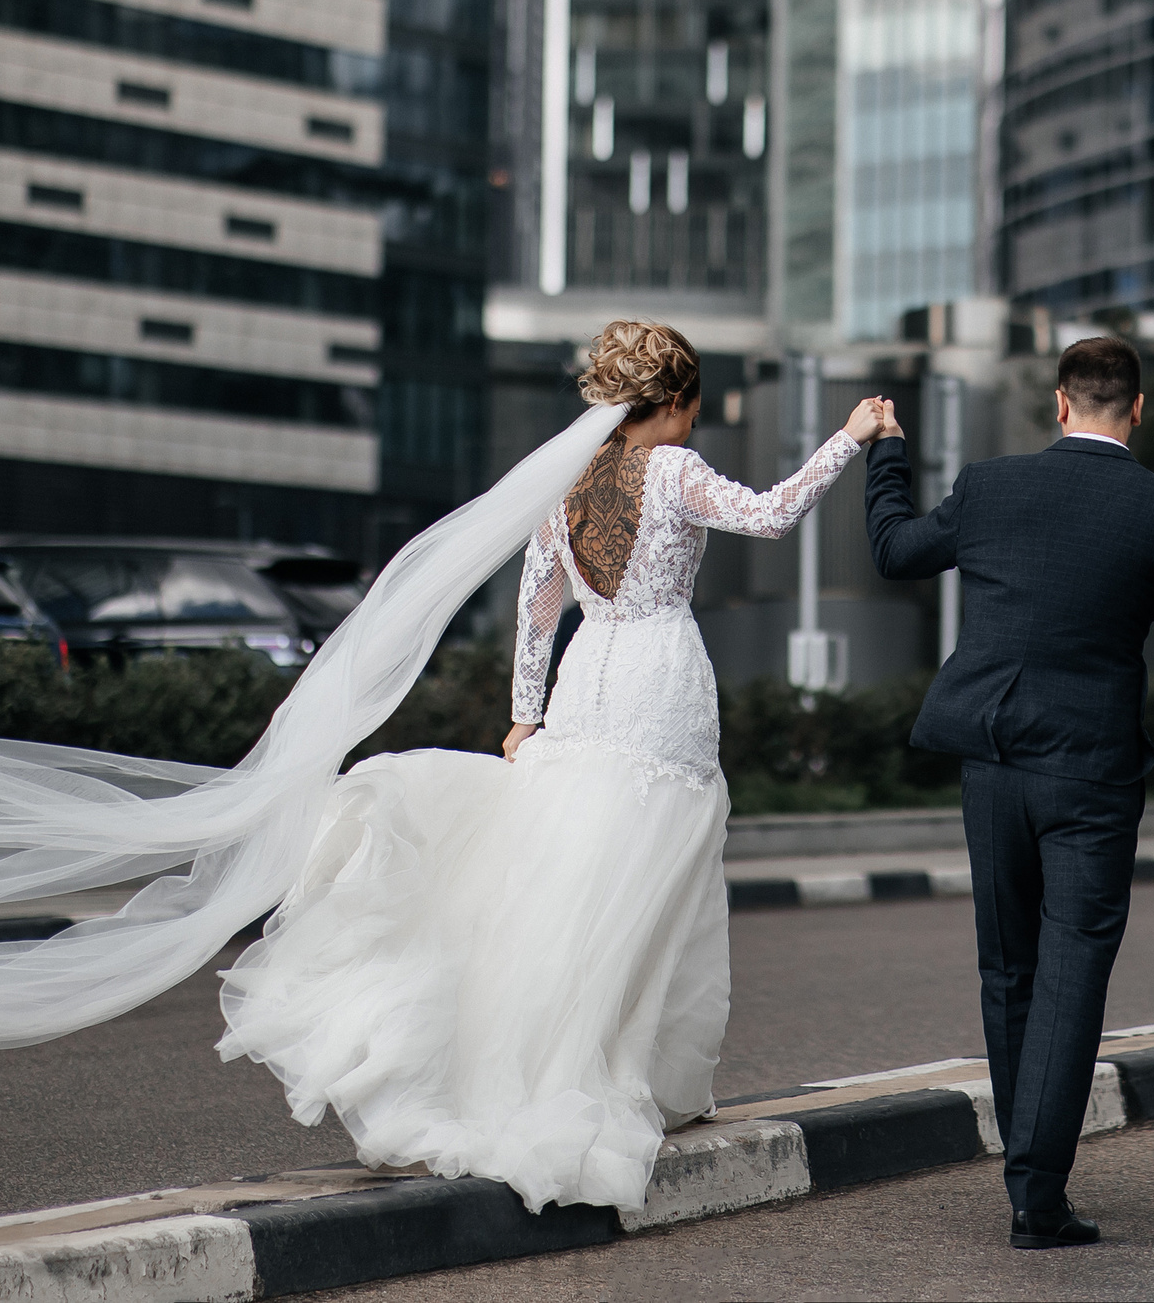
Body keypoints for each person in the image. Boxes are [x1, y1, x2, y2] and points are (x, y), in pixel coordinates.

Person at [215, 320, 888, 1210]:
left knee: (576, 876)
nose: (692, 421)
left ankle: (562, 1064)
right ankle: (623, 1073)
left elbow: (538, 609)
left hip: (582, 683)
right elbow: (771, 514)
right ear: (675, 401)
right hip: (660, 687)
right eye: (691, 405)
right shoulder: (675, 469)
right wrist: (851, 433)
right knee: (651, 883)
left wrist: (522, 716)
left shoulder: (562, 483)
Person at [861, 334, 1154, 1250]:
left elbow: (896, 550)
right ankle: (1037, 1191)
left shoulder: (992, 485)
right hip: (1093, 776)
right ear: (1137, 410)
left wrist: (886, 454)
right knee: (1073, 973)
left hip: (991, 764)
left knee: (1010, 970)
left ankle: (1027, 1171)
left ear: (1060, 404)